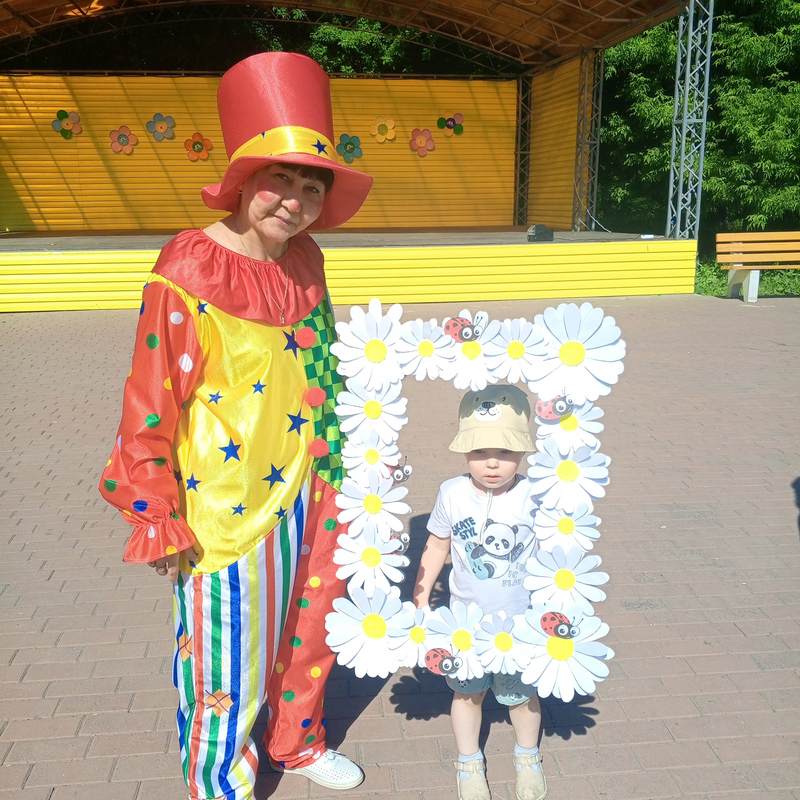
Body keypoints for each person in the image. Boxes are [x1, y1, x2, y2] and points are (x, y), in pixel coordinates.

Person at [98, 52, 374, 800]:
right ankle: (220, 782)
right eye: (280, 179)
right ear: (246, 180)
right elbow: (150, 396)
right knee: (225, 658)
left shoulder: (307, 260)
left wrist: (358, 453)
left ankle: (296, 740)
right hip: (225, 506)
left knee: (310, 629)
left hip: (316, 486)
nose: (294, 201)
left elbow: (322, 367)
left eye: (311, 186)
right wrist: (153, 508)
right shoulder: (187, 265)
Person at [413, 385, 547, 800]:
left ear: (523, 451)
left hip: (519, 624)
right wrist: (421, 596)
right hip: (465, 627)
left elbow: (554, 554)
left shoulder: (535, 495)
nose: (491, 462)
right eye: (479, 451)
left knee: (521, 696)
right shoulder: (452, 493)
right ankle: (469, 761)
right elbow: (437, 544)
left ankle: (528, 756)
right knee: (467, 693)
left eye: (505, 452)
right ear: (463, 450)